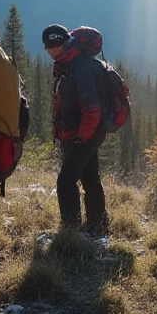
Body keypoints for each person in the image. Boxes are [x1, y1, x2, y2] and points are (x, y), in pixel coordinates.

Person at [44, 24, 109, 235]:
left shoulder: (79, 68)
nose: (46, 51)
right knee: (90, 177)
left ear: (58, 45)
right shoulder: (67, 63)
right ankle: (97, 227)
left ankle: (71, 231)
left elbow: (92, 108)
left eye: (48, 46)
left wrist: (82, 138)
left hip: (85, 133)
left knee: (66, 180)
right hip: (80, 132)